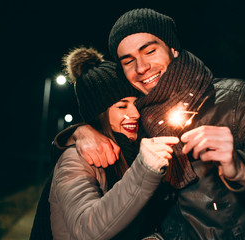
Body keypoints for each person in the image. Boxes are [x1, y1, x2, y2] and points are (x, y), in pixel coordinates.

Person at [55, 9, 245, 239]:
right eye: (128, 61)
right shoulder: (138, 119)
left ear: (173, 49)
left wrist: (241, 167)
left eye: (150, 50)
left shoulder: (234, 99)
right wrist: (82, 131)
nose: (142, 67)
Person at [47, 47, 179, 240]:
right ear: (99, 114)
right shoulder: (77, 158)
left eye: (136, 103)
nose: (135, 113)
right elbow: (86, 229)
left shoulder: (135, 149)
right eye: (122, 106)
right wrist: (145, 170)